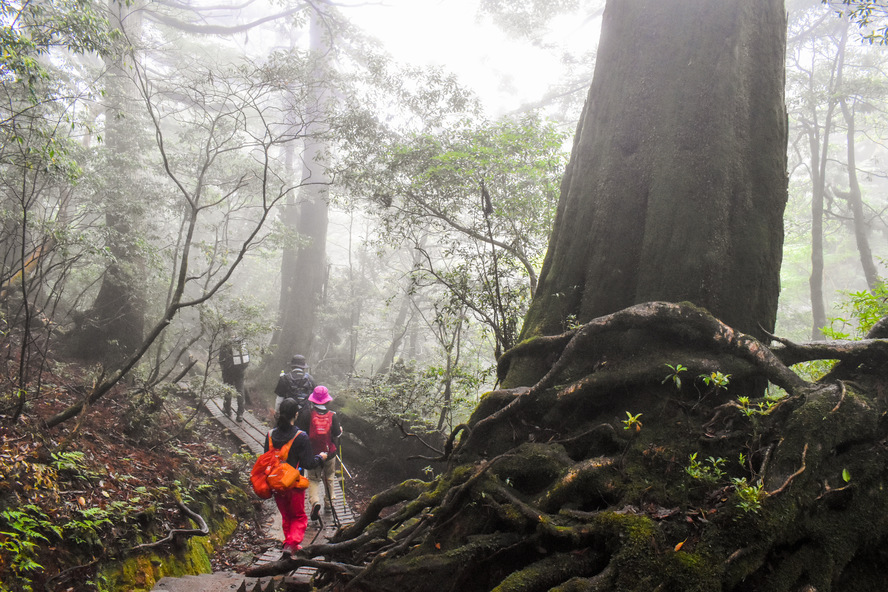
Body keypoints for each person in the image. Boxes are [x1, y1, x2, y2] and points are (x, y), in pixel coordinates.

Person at [265, 397, 328, 557]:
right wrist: (321, 457)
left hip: (276, 483)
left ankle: (289, 544)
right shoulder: (301, 436)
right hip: (294, 483)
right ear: (296, 414)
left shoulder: (270, 434)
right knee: (299, 516)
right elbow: (308, 463)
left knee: (286, 516)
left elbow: (266, 458)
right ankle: (291, 544)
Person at [296, 385, 342, 521]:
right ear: (327, 400)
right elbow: (337, 434)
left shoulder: (307, 415)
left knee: (313, 479)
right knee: (329, 477)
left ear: (313, 400)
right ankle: (329, 503)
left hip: (312, 454)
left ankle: (315, 502)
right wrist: (340, 430)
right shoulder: (333, 415)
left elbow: (301, 432)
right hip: (330, 453)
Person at [219, 337, 249, 422]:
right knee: (240, 390)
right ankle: (240, 414)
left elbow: (221, 359)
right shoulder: (242, 342)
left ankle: (227, 409)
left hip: (228, 371)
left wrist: (223, 369)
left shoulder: (225, 343)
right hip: (240, 371)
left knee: (228, 389)